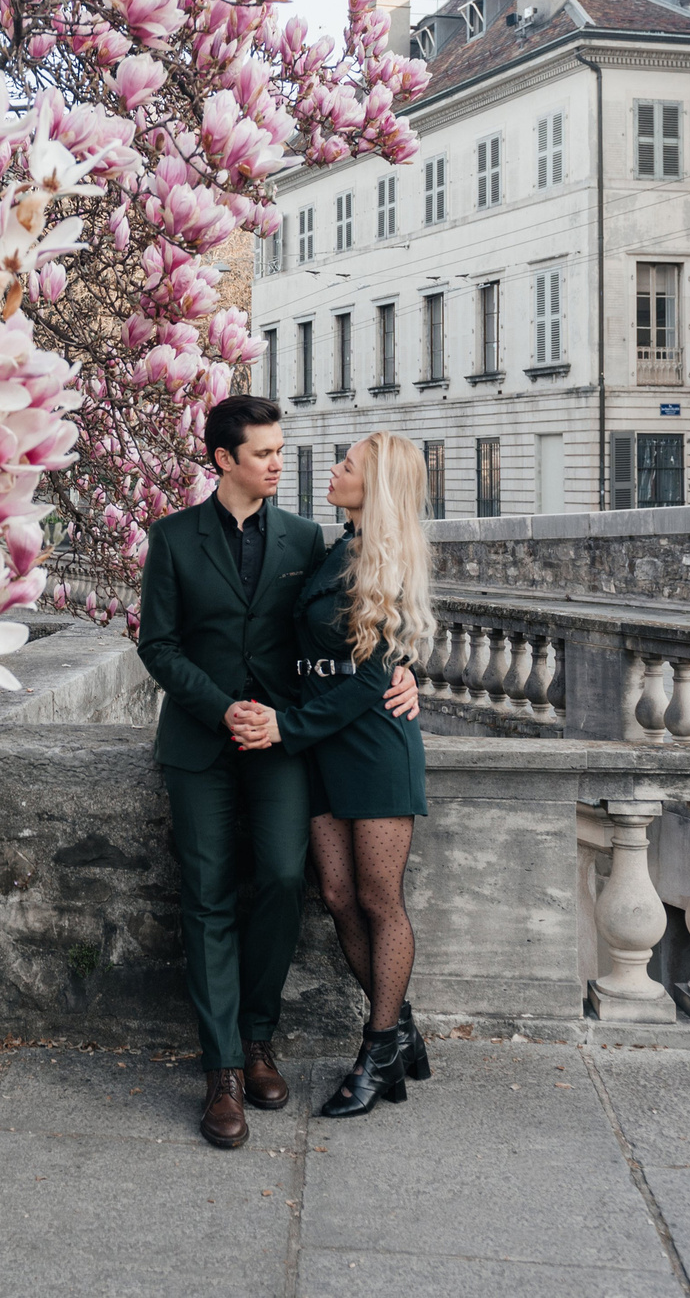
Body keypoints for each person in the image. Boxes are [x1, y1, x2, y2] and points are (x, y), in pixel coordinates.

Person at [135, 395, 422, 1151]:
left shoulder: (307, 537)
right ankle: (224, 1069)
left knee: (288, 880)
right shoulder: (170, 539)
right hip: (203, 741)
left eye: (280, 450)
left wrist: (405, 669)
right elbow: (158, 647)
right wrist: (222, 706)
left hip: (288, 745)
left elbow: (367, 619)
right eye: (263, 452)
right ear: (223, 459)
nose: (279, 463)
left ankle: (261, 1037)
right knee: (206, 896)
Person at [229, 431, 435, 1117]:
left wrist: (287, 726)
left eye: (347, 465)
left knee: (381, 898)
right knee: (339, 893)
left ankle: (378, 1049)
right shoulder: (331, 548)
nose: (335, 468)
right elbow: (319, 657)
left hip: (372, 744)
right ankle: (400, 1029)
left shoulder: (386, 558)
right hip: (320, 742)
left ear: (372, 486)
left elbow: (369, 680)